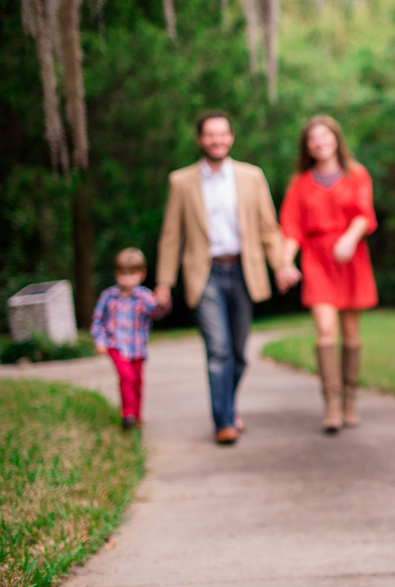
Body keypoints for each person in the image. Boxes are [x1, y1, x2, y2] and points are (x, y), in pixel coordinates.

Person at [155, 110, 300, 445]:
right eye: (210, 135)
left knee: (238, 353)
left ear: (231, 138)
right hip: (204, 273)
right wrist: (164, 282)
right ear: (200, 139)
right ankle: (223, 422)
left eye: (222, 134)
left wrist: (280, 264)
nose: (216, 140)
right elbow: (171, 235)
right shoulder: (182, 181)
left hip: (242, 271)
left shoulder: (251, 177)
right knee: (218, 350)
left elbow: (268, 226)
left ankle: (229, 407)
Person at [279, 115, 378, 434]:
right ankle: (331, 402)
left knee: (350, 333)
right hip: (317, 258)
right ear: (306, 146)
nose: (319, 142)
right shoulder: (300, 183)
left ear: (336, 139)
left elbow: (364, 214)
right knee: (325, 328)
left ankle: (350, 398)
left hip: (350, 256)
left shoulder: (356, 174)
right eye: (312, 138)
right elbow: (291, 228)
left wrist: (350, 238)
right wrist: (285, 262)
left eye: (325, 136)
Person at [91, 248, 171, 429]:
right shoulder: (108, 296)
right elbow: (97, 321)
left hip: (137, 348)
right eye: (122, 274)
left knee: (137, 382)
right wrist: (99, 341)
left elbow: (157, 313)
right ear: (116, 274)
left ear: (141, 274)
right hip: (115, 345)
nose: (127, 279)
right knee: (126, 377)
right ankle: (127, 414)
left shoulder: (145, 296)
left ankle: (137, 416)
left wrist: (163, 302)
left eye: (132, 274)